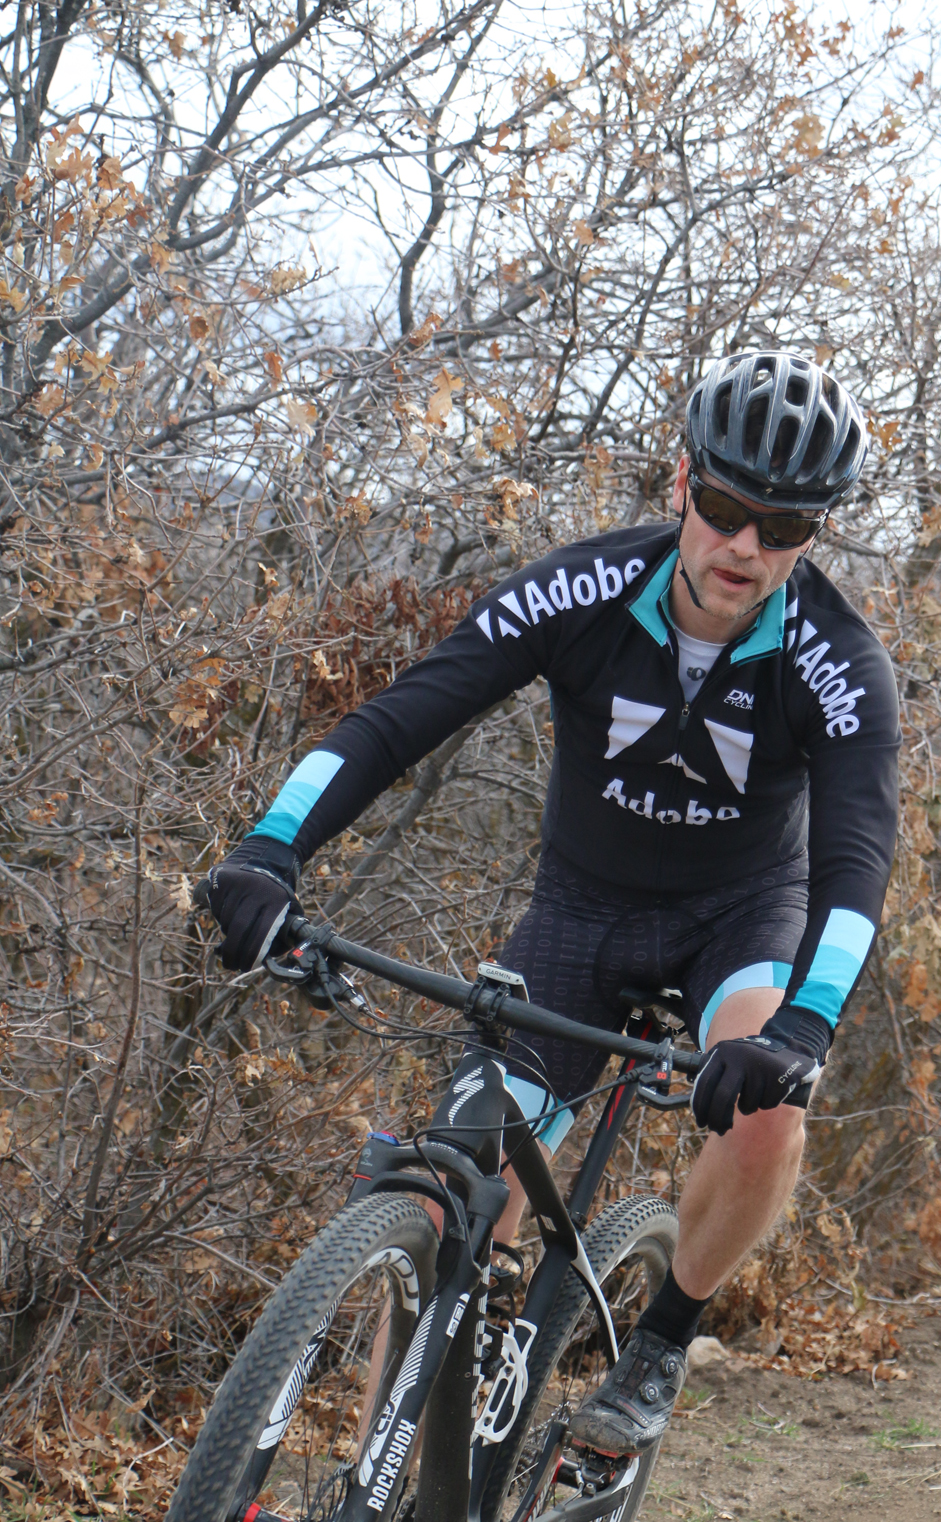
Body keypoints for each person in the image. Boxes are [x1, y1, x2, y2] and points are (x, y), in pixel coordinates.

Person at [201, 349, 900, 1457]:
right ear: (682, 480)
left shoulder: (835, 660)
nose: (745, 547)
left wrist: (804, 1027)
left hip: (740, 921)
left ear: (814, 534)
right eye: (724, 508)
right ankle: (373, 1505)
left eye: (786, 528)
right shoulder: (583, 587)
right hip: (580, 915)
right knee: (450, 1189)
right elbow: (400, 716)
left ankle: (663, 1336)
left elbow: (856, 858)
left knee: (770, 1106)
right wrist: (269, 849)